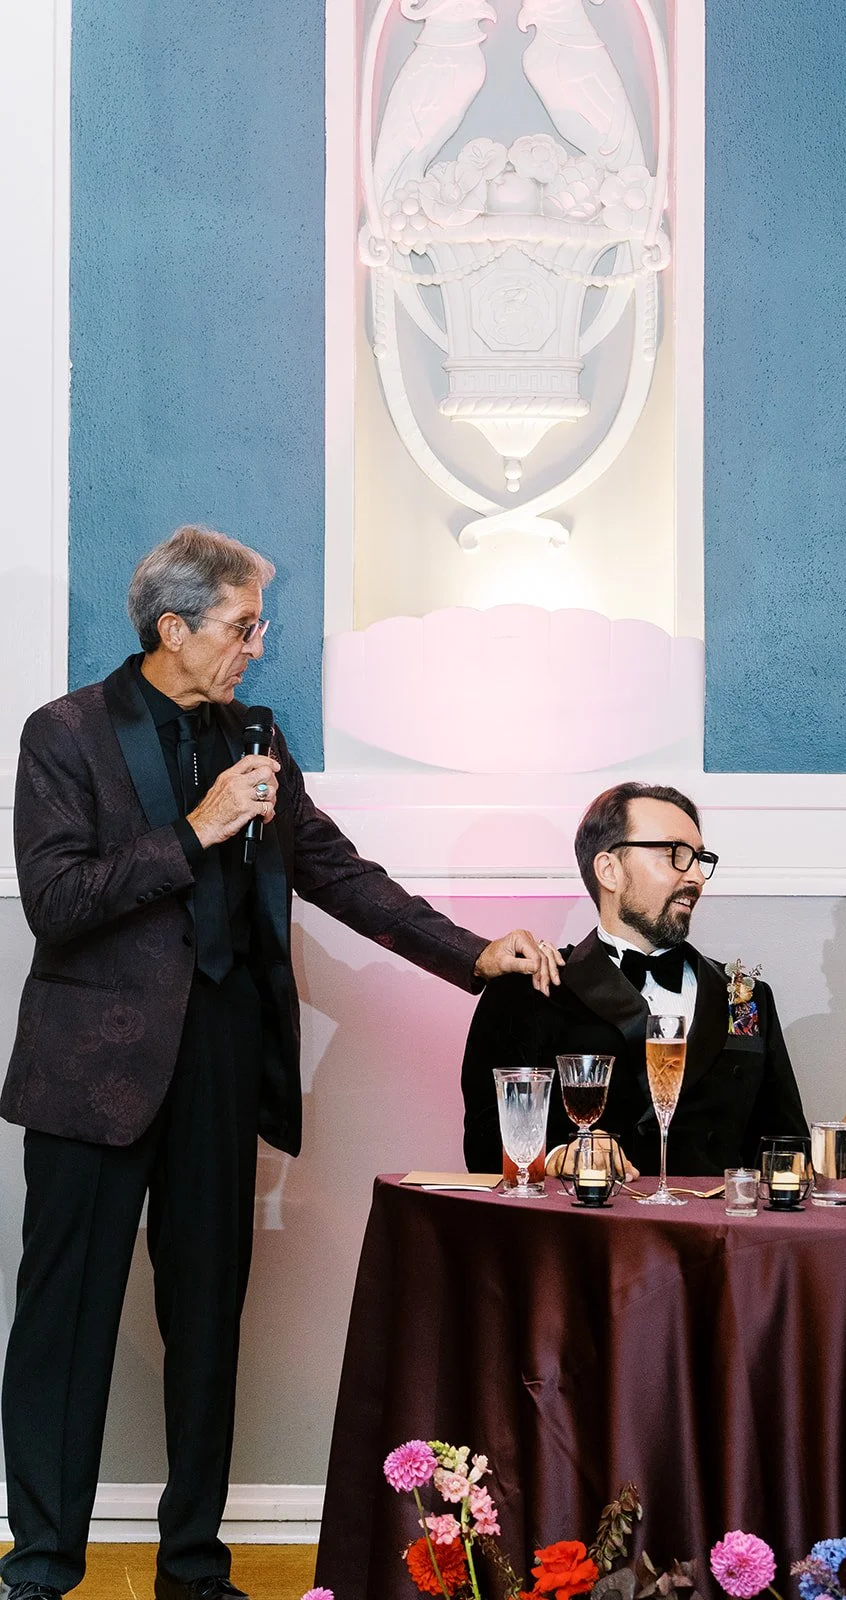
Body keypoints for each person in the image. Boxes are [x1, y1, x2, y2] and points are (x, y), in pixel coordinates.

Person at [0, 526, 563, 1600]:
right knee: (61, 1324)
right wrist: (196, 831)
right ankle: (39, 1564)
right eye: (243, 625)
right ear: (174, 628)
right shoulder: (63, 733)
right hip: (90, 1075)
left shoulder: (256, 733)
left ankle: (194, 1568)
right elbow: (57, 901)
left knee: (207, 1320)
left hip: (219, 1065)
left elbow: (337, 871)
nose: (258, 646)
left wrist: (474, 952)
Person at [461, 782, 808, 1176]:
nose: (696, 877)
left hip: (713, 1233)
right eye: (675, 854)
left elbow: (789, 1148)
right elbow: (484, 1145)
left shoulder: (746, 998)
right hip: (583, 1234)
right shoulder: (526, 993)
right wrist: (560, 1157)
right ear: (609, 870)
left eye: (699, 858)